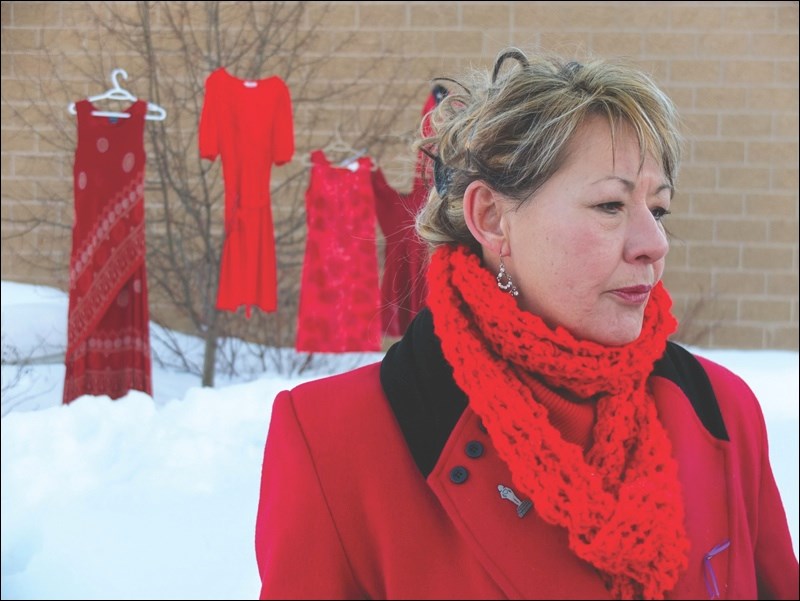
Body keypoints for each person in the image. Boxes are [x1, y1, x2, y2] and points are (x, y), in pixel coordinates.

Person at [255, 48, 798, 600]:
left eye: (657, 210)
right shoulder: (335, 441)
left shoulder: (720, 412)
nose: (654, 245)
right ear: (491, 218)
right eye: (611, 205)